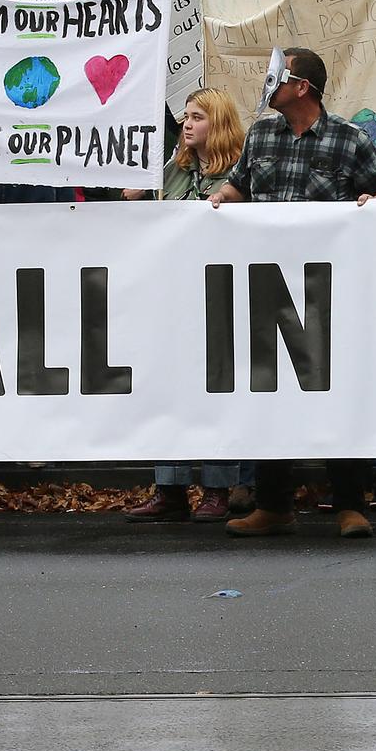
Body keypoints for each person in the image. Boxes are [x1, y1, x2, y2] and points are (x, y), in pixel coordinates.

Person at [211, 48, 376, 539]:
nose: (268, 84)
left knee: (336, 393)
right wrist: (220, 200)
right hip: (269, 290)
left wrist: (374, 206)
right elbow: (239, 187)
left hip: (327, 293)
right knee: (272, 394)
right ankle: (273, 505)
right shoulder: (260, 135)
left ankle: (349, 503)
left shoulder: (348, 138)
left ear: (301, 86)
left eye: (278, 76)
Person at [117, 89, 253, 522]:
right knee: (168, 390)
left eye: (198, 117)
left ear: (219, 123)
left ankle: (217, 488)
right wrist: (134, 197)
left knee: (214, 391)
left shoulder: (238, 172)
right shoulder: (172, 171)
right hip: (170, 294)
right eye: (186, 117)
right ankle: (170, 488)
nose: (188, 124)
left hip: (219, 295)